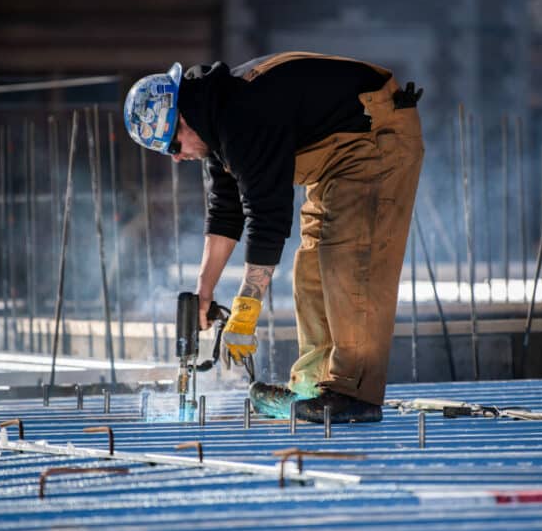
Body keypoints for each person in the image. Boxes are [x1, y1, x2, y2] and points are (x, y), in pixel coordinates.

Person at [124, 52, 424, 423]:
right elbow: (226, 211)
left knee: (348, 262)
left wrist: (247, 308)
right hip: (339, 159)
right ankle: (315, 387)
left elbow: (267, 216)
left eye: (172, 145)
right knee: (310, 271)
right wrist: (205, 292)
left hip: (375, 139)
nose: (175, 158)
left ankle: (353, 393)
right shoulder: (215, 121)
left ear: (182, 120)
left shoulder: (241, 115)